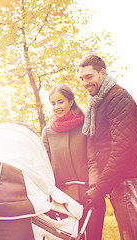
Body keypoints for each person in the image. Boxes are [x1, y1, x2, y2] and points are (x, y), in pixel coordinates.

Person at [78, 55, 137, 240]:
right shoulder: (100, 102)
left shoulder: (118, 99)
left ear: (103, 73)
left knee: (134, 236)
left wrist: (100, 188)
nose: (85, 83)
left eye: (89, 76)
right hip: (120, 180)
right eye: (82, 78)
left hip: (127, 179)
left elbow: (121, 149)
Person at [42, 83, 106, 240]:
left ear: (71, 101)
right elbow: (45, 167)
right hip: (62, 200)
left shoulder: (85, 126)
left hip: (89, 195)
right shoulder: (48, 132)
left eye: (61, 101)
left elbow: (93, 161)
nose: (57, 106)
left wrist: (95, 190)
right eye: (53, 103)